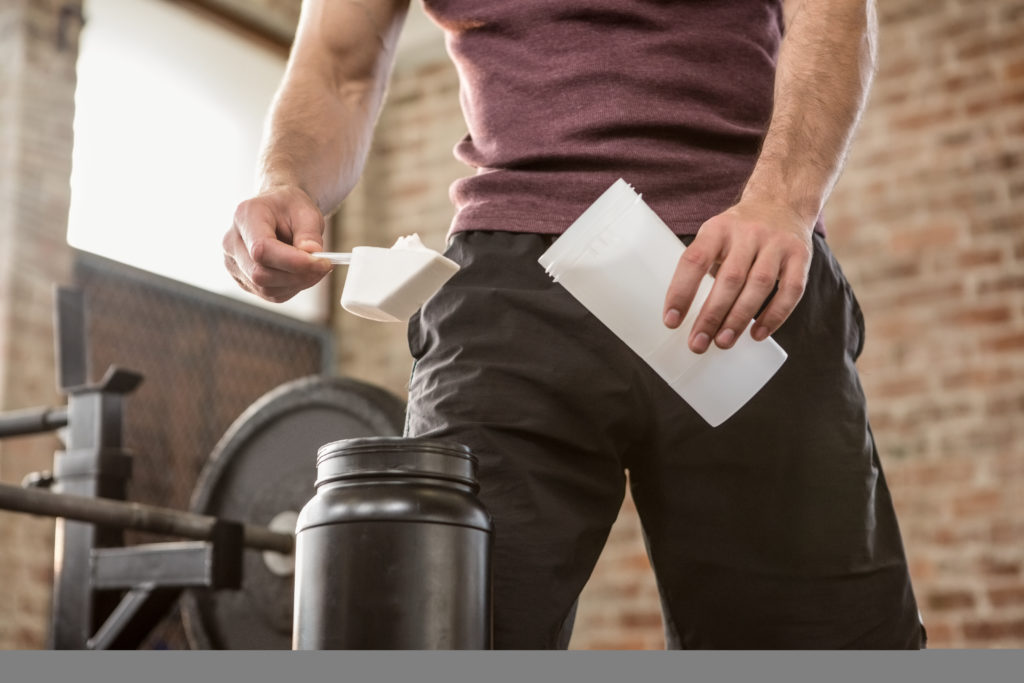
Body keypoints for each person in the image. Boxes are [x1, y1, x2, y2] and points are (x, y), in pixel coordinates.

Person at [224, 0, 925, 649]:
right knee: (439, 622)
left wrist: (784, 200)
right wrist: (286, 180)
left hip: (736, 259)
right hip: (507, 285)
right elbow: (339, 62)